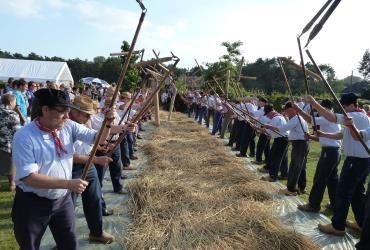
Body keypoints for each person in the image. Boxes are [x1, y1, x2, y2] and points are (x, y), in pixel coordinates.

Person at [11, 88, 114, 250]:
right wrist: (69, 184)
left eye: (68, 111)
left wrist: (108, 122)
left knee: (69, 244)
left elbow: (98, 138)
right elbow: (29, 177)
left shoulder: (68, 126)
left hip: (62, 202)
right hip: (32, 204)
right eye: (62, 112)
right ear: (45, 110)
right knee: (29, 246)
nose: (67, 116)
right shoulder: (24, 136)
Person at [305, 93, 370, 237]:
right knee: (357, 194)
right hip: (362, 161)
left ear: (353, 105)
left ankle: (338, 226)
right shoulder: (359, 117)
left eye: (345, 106)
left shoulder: (356, 116)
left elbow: (332, 117)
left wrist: (314, 103)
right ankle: (360, 222)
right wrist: (323, 134)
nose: (344, 109)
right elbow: (341, 134)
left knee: (343, 192)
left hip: (355, 161)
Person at [295, 99, 341, 213]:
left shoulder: (327, 117)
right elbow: (324, 137)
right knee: (332, 180)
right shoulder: (330, 117)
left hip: (329, 152)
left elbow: (310, 120)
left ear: (324, 108)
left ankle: (313, 205)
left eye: (318, 106)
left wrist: (298, 109)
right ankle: (335, 204)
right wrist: (311, 137)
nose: (316, 108)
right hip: (334, 152)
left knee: (320, 178)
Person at [263, 102, 309, 196]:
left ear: (292, 109)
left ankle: (291, 189)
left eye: (286, 110)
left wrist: (269, 126)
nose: (285, 112)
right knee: (301, 166)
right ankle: (301, 187)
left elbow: (283, 128)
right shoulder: (297, 118)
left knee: (295, 166)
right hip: (301, 143)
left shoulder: (296, 118)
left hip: (300, 144)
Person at [0, 94, 21, 191]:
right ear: (10, 102)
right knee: (11, 165)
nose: (15, 104)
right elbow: (17, 132)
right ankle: (12, 184)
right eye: (15, 102)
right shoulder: (12, 114)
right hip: (7, 144)